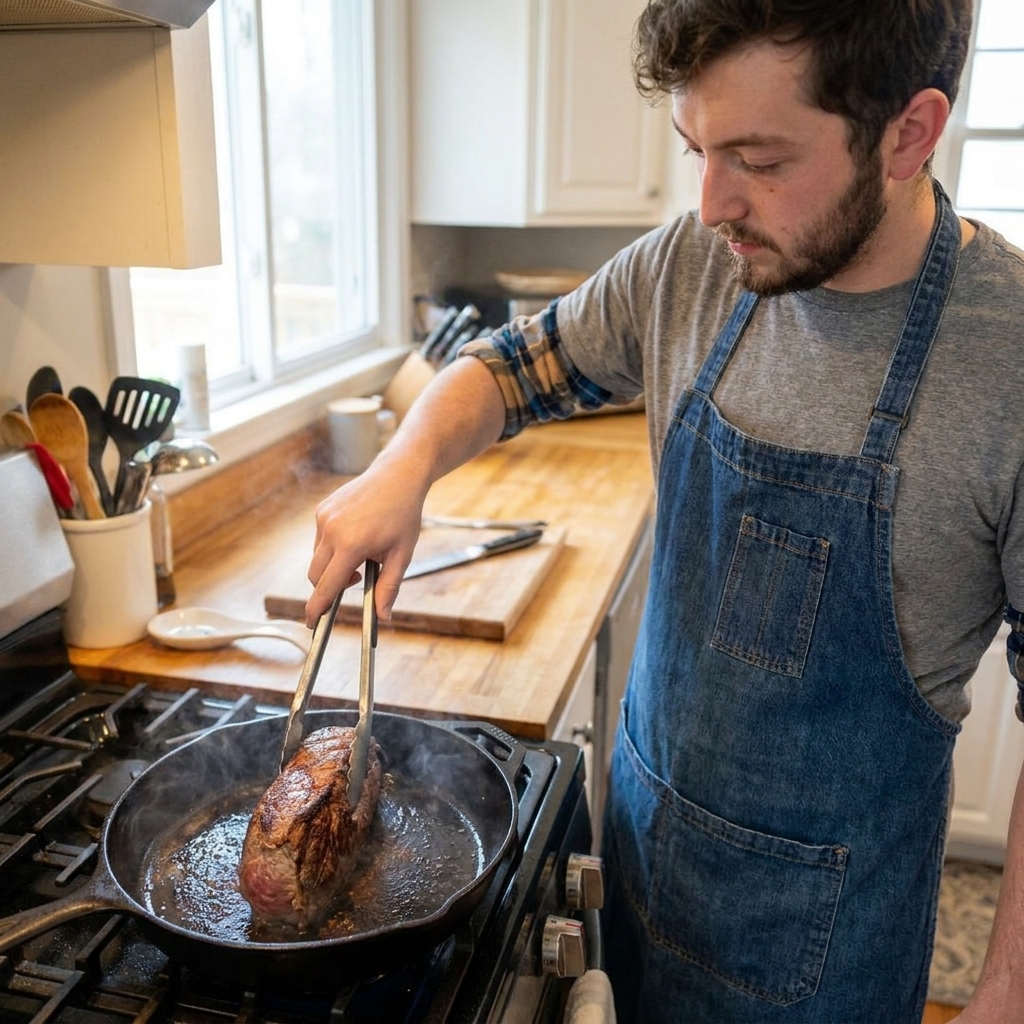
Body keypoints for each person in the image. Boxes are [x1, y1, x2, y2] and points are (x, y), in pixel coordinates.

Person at [306, 1, 1024, 1020]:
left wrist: (1005, 999)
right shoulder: (692, 268)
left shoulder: (1006, 363)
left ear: (909, 132)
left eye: (758, 158)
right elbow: (516, 368)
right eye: (694, 147)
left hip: (824, 952)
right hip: (638, 862)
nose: (710, 203)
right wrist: (403, 464)